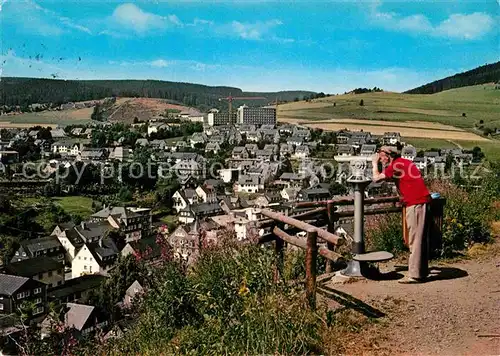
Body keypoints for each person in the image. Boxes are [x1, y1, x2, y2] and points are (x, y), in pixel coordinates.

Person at [372, 146, 431, 284]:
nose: (380, 159)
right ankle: (421, 272)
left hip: (415, 203)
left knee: (415, 239)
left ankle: (415, 275)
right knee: (420, 239)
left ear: (388, 155)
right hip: (421, 202)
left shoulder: (396, 165)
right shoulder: (404, 163)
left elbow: (376, 179)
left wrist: (374, 164)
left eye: (381, 156)